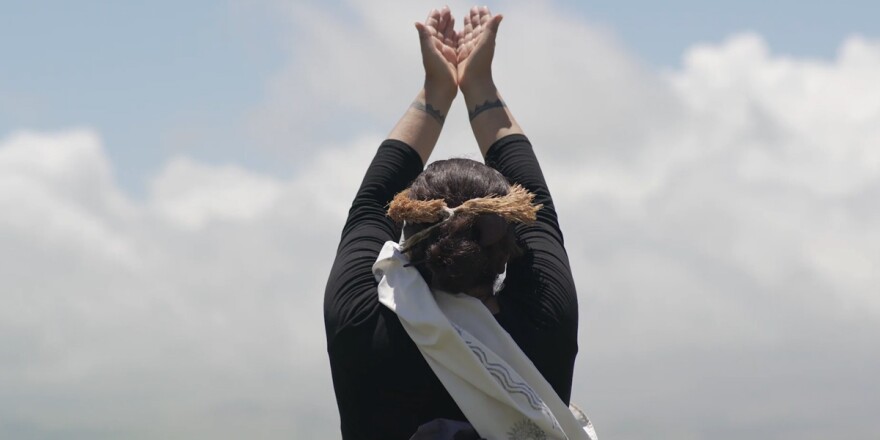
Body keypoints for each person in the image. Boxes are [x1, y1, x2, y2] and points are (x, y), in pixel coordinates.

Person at [324, 6, 595, 439]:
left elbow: (371, 204)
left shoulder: (360, 322)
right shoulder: (543, 322)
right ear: (505, 234)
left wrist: (436, 92)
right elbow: (537, 206)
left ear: (409, 226)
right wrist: (479, 84)